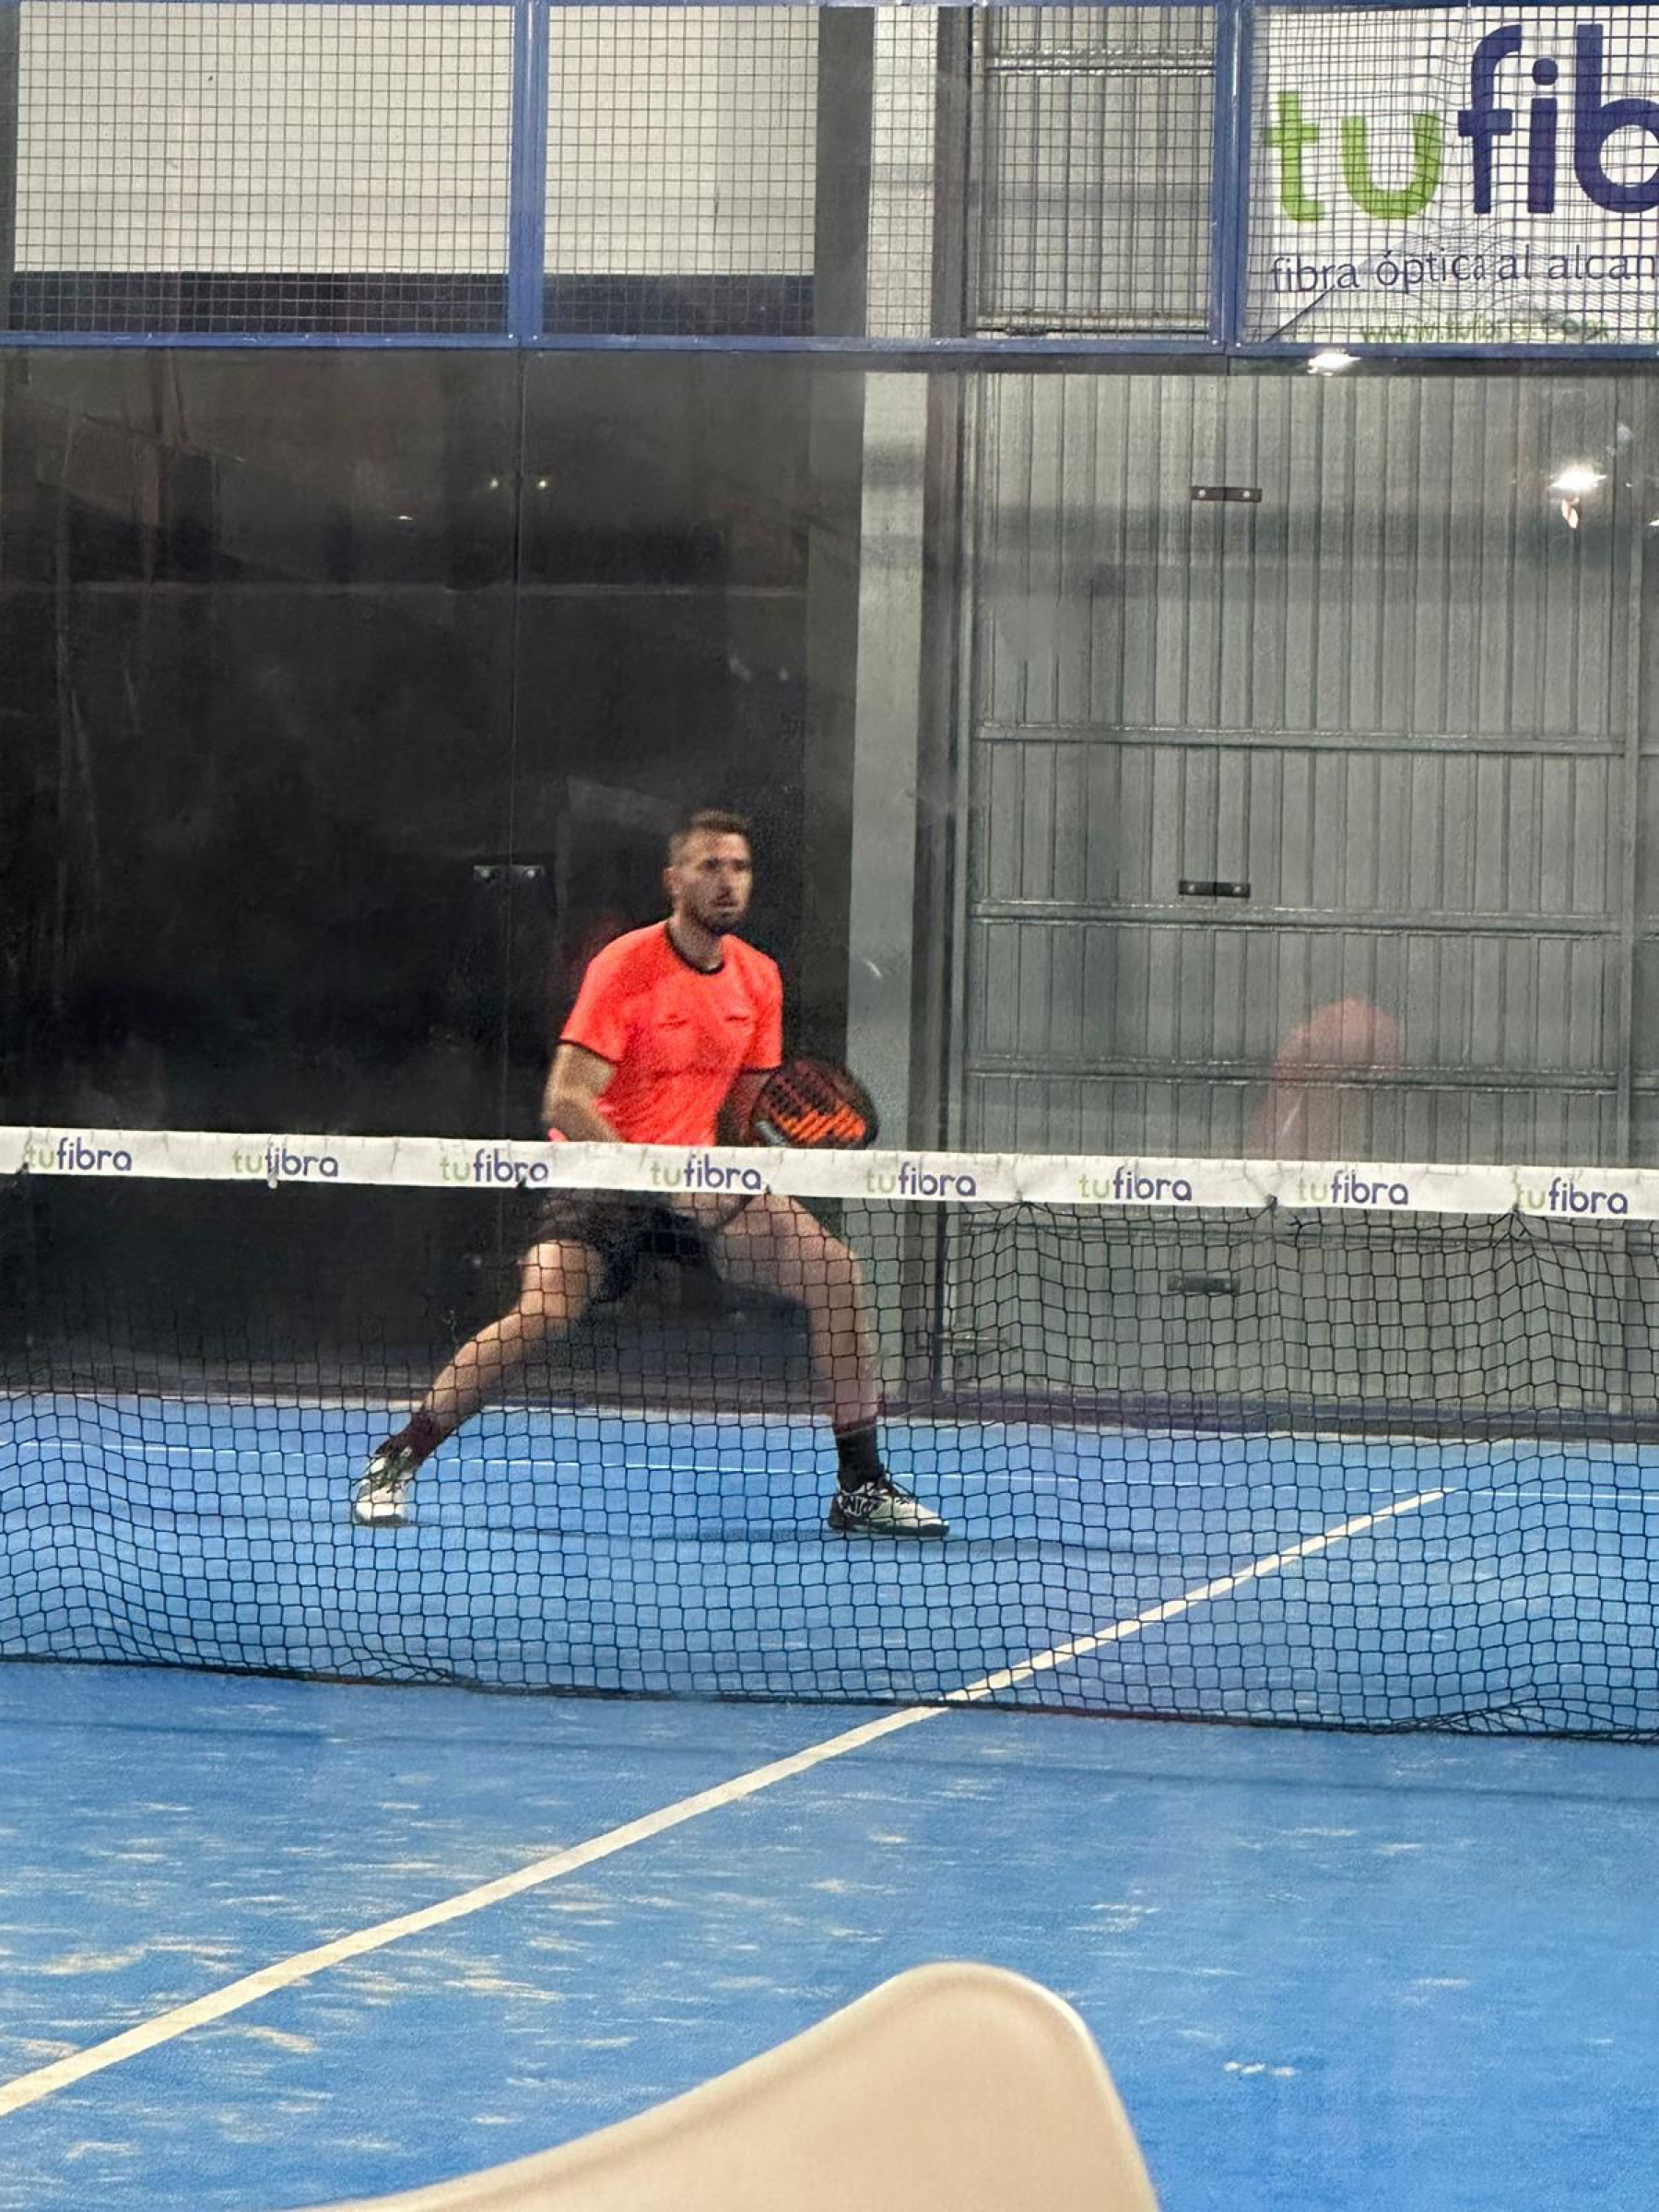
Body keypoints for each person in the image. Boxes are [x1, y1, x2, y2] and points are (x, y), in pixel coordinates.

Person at [353, 809, 946, 1537]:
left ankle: (861, 1486)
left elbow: (745, 1114)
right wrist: (652, 1176)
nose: (726, 882)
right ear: (674, 880)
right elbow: (566, 1098)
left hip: (697, 1182)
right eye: (709, 866)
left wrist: (759, 1166)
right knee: (543, 1314)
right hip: (601, 1174)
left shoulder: (758, 979)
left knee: (835, 1273)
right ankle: (397, 1459)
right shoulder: (626, 966)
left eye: (739, 867)